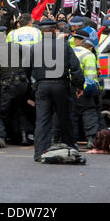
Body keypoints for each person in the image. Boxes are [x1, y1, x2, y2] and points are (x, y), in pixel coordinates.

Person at [29, 19, 85, 162]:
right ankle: (70, 147)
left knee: (42, 120)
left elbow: (26, 70)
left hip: (42, 86)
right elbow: (76, 68)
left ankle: (39, 153)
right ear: (55, 30)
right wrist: (79, 86)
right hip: (61, 85)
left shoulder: (34, 48)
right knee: (64, 117)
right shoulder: (64, 46)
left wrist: (33, 88)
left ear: (41, 32)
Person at [0, 26, 31, 144]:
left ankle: (0, 137)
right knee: (18, 109)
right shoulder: (18, 46)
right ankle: (22, 136)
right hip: (23, 83)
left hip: (8, 85)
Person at [71, 30, 106, 148]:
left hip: (70, 88)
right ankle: (91, 140)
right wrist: (94, 90)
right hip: (85, 88)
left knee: (73, 115)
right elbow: (92, 76)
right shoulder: (88, 54)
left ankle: (72, 141)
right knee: (89, 113)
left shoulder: (69, 51)